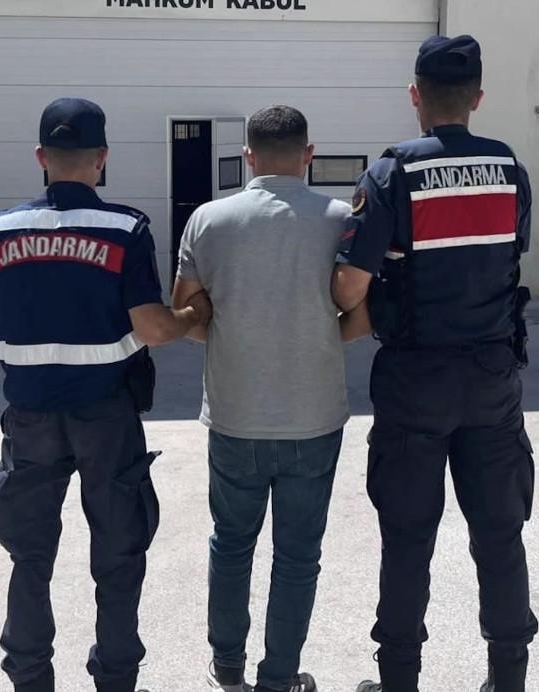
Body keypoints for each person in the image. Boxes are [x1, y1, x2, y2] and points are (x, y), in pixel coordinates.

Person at [0, 97, 212, 692]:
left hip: (30, 415)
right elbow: (153, 328)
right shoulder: (124, 230)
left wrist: (39, 365)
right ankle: (116, 676)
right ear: (101, 158)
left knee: (29, 556)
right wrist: (192, 316)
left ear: (40, 158)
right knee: (118, 554)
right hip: (106, 414)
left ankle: (29, 676)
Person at [332, 36, 539, 692]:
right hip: (492, 378)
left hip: (415, 380)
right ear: (477, 98)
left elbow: (348, 288)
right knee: (500, 534)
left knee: (407, 538)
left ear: (415, 95)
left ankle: (399, 681)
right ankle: (508, 677)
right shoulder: (509, 169)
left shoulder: (391, 174)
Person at [172, 105, 370, 692]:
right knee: (298, 556)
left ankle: (228, 669)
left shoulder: (209, 220)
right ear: (308, 155)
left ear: (247, 157)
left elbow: (186, 316)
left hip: (235, 416)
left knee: (231, 545)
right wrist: (312, 335)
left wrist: (235, 336)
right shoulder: (340, 219)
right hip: (314, 418)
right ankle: (278, 679)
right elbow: (362, 318)